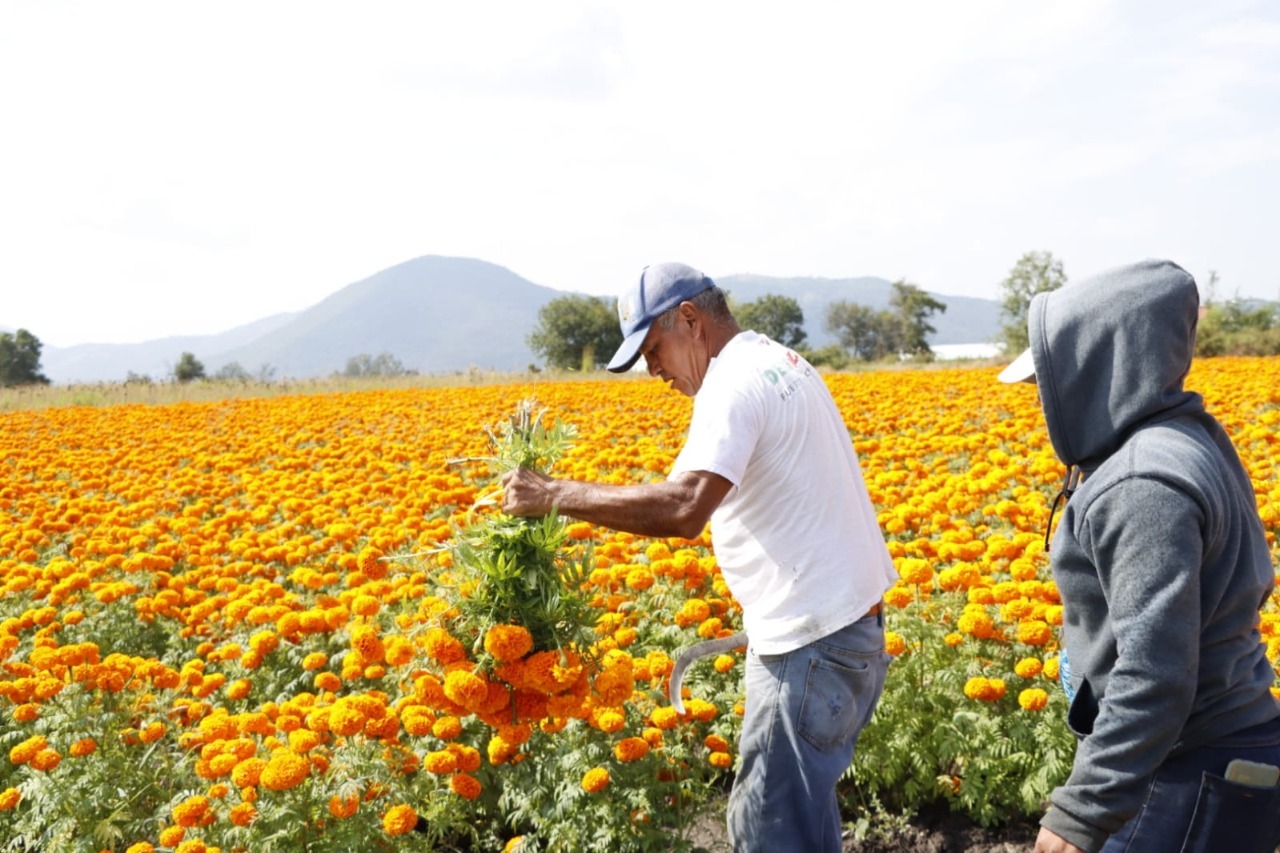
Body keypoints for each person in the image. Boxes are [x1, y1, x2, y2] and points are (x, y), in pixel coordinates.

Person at [502, 262, 896, 851]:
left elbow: (685, 506)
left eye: (654, 349)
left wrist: (554, 495)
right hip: (843, 632)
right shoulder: (778, 361)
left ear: (690, 319)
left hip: (811, 647)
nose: (653, 370)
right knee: (803, 822)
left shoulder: (732, 385)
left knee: (767, 831)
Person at [997, 259, 1280, 853]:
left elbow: (1155, 672)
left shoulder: (1141, 483)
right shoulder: (1185, 439)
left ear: (1102, 366)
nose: (1045, 403)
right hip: (1214, 748)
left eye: (1050, 383)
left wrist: (1081, 810)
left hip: (1184, 765)